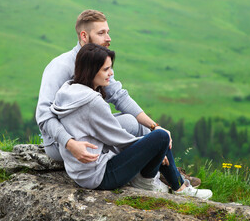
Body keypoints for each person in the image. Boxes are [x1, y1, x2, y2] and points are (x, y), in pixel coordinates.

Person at [35, 9, 201, 188]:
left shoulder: (97, 62)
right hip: (61, 143)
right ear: (84, 36)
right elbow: (44, 115)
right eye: (101, 33)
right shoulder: (60, 66)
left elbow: (120, 96)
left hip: (87, 131)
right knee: (152, 139)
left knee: (137, 124)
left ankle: (173, 179)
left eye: (108, 32)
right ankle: (165, 180)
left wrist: (155, 126)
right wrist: (70, 143)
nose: (108, 38)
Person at [49, 43, 212, 199]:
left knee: (135, 123)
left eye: (110, 68)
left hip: (81, 171)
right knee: (161, 136)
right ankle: (170, 187)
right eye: (106, 69)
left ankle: (173, 183)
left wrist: (150, 146)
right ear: (91, 71)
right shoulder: (92, 102)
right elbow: (118, 139)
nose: (111, 73)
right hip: (99, 176)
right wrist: (155, 149)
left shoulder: (68, 89)